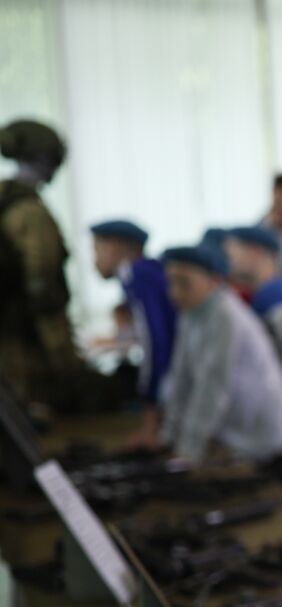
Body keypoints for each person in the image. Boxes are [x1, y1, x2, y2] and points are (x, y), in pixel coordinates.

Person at [158, 242, 282, 463]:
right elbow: (182, 377)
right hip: (243, 438)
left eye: (184, 283)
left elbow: (212, 386)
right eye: (171, 282)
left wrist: (188, 451)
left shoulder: (224, 315)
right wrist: (169, 436)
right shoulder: (190, 314)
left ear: (214, 281)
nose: (174, 293)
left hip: (275, 440)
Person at [0, 118, 85, 407]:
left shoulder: (7, 201)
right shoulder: (30, 213)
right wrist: (64, 360)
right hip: (22, 349)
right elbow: (43, 288)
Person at [90, 219, 179, 446]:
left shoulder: (138, 276)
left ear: (115, 246)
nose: (94, 260)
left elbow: (155, 343)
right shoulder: (145, 273)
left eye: (96, 249)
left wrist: (150, 405)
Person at [225, 225, 282, 404]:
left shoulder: (277, 299)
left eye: (231, 255)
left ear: (255, 253)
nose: (227, 263)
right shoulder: (262, 296)